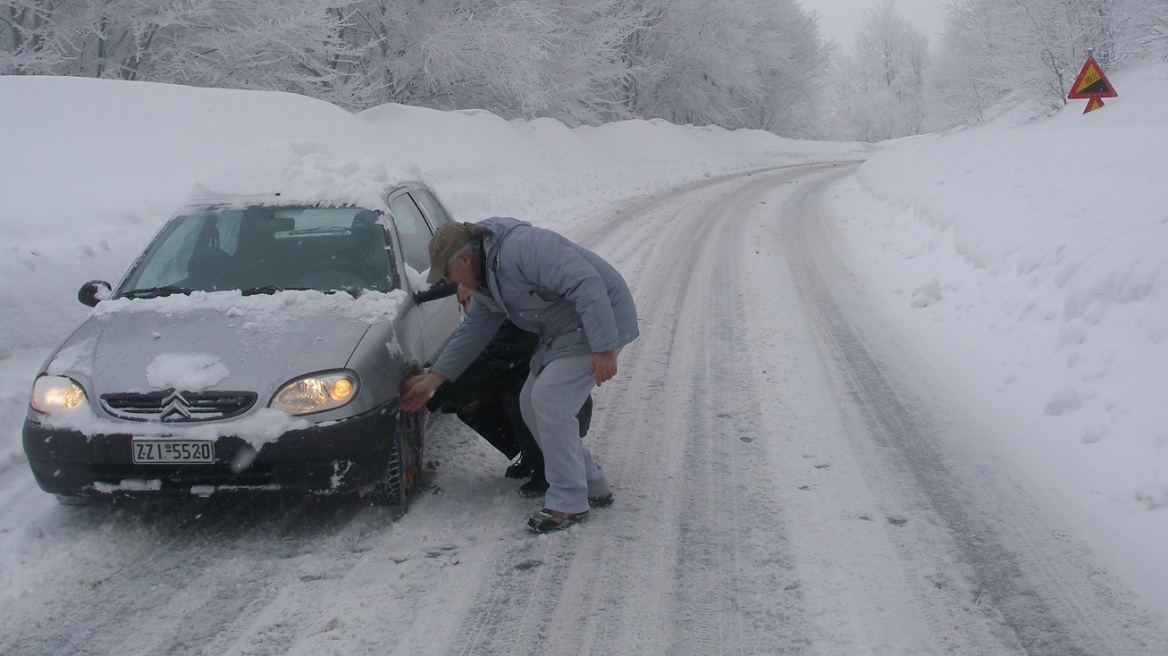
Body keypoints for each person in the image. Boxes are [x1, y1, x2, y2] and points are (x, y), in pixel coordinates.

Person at [402, 218, 639, 533]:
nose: (448, 281)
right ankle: (591, 483)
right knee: (531, 402)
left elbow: (585, 283)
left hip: (599, 319)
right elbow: (475, 329)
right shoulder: (487, 280)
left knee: (550, 401)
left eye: (447, 273)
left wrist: (604, 347)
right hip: (564, 331)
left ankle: (568, 501)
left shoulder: (523, 249)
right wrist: (436, 378)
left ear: (463, 259)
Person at [414, 282, 593, 497]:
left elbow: (487, 363)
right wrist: (417, 294)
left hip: (564, 410)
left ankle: (548, 467)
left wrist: (429, 393)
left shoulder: (517, 323)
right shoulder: (495, 307)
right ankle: (531, 455)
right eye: (462, 303)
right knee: (472, 396)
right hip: (539, 394)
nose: (468, 308)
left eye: (471, 300)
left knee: (512, 391)